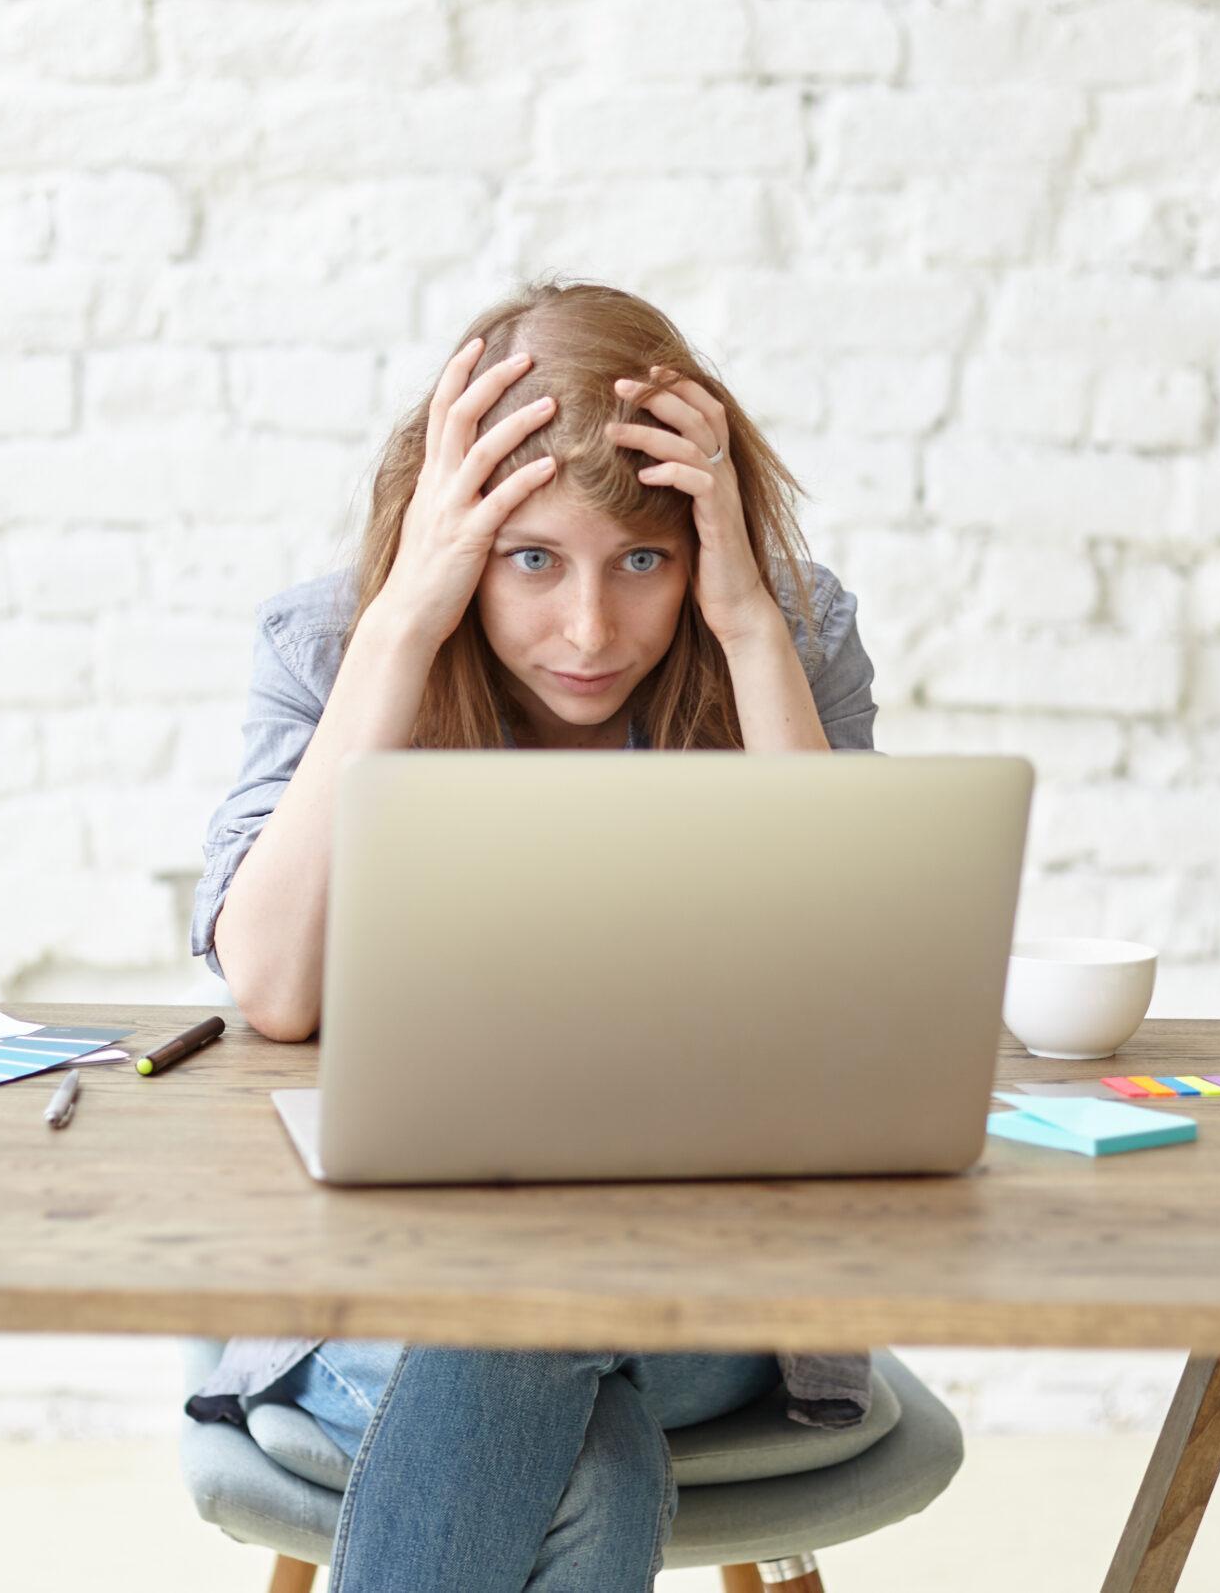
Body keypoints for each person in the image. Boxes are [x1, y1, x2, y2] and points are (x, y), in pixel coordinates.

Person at [184, 277, 883, 1593]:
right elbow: (273, 986)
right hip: (386, 1289)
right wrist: (404, 618)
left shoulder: (783, 635)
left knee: (528, 1323)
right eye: (530, 561)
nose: (589, 629)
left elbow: (842, 985)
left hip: (709, 1295)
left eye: (643, 563)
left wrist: (741, 620)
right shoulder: (333, 641)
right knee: (589, 1456)